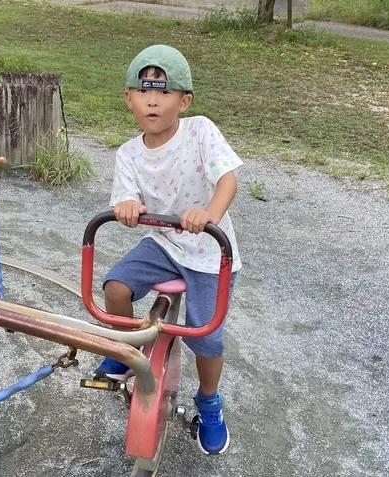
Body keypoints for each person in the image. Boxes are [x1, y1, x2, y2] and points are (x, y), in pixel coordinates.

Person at [94, 44, 243, 455]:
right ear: (129, 98)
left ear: (184, 100)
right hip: (163, 242)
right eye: (143, 92)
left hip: (209, 251)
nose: (153, 100)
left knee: (206, 337)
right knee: (115, 287)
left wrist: (208, 214)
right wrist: (125, 206)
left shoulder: (200, 132)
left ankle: (209, 402)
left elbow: (227, 181)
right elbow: (126, 196)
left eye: (163, 91)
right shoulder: (128, 154)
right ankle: (129, 353)